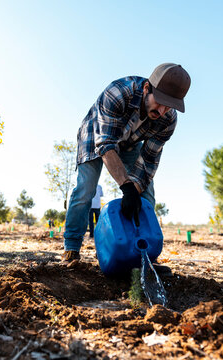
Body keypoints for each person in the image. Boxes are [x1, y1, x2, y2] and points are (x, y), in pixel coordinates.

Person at [62, 63, 191, 265]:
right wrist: (126, 186)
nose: (163, 110)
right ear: (147, 88)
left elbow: (149, 160)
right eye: (160, 101)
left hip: (130, 144)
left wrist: (135, 190)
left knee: (146, 194)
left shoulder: (168, 121)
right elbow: (105, 144)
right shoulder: (118, 93)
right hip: (96, 135)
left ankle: (143, 252)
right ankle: (71, 249)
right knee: (86, 190)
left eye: (170, 106)